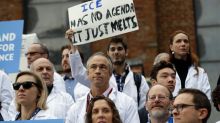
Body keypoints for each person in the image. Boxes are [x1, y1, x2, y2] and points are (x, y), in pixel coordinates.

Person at [66, 29, 149, 109]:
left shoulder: (139, 80)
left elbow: (144, 108)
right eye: (112, 49)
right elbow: (78, 72)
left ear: (126, 52)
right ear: (108, 53)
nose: (116, 52)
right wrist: (73, 45)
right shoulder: (100, 77)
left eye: (119, 49)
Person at [65, 52, 140, 123]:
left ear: (110, 73)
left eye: (102, 67)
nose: (97, 71)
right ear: (87, 73)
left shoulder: (127, 103)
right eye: (93, 67)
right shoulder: (75, 108)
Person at [169, 30, 211, 99]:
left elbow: (206, 98)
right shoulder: (164, 70)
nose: (183, 44)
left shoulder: (200, 72)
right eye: (178, 41)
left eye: (186, 41)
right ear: (171, 47)